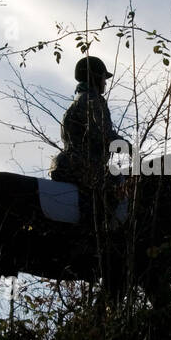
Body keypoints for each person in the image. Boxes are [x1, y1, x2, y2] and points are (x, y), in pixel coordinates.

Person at [51, 56, 127, 229]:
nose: (105, 83)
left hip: (67, 163)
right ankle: (101, 231)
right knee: (118, 183)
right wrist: (128, 147)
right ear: (94, 77)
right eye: (103, 78)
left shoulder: (76, 103)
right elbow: (103, 134)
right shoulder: (93, 101)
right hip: (84, 166)